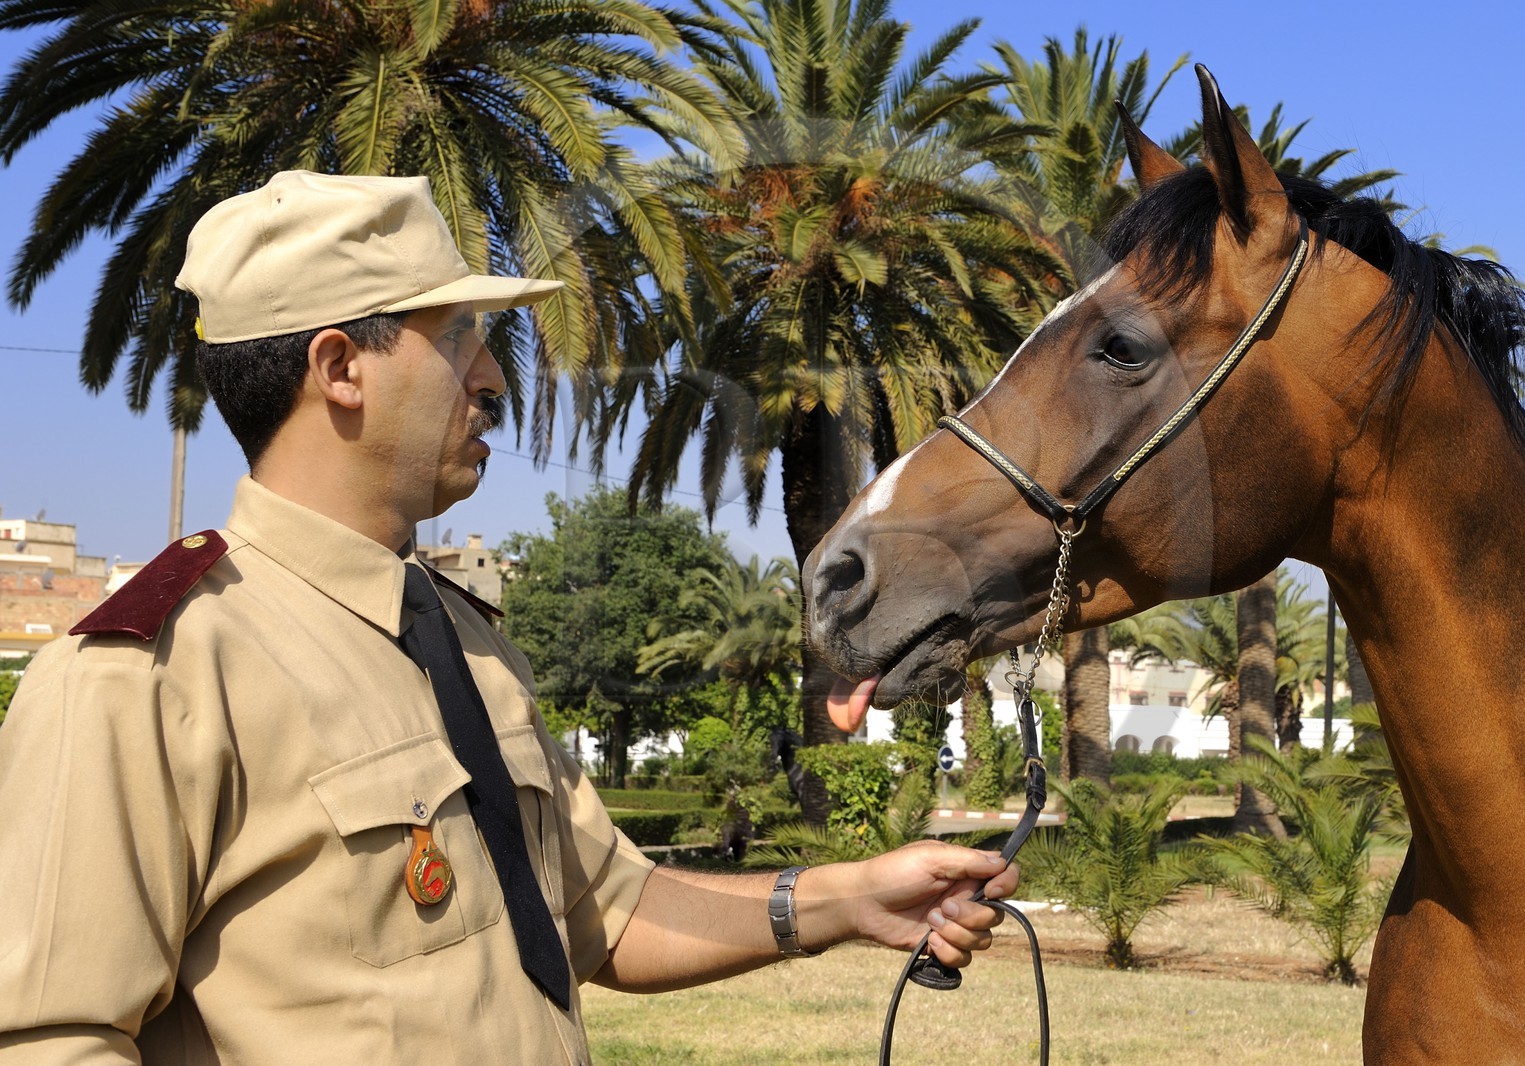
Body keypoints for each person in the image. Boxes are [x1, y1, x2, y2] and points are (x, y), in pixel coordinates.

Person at [0, 171, 1018, 1063]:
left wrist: (847, 898)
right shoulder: (150, 675)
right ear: (339, 369)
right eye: (458, 338)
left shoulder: (470, 642)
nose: (492, 378)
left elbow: (601, 910)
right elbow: (51, 1037)